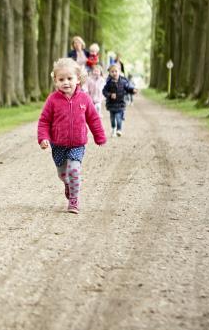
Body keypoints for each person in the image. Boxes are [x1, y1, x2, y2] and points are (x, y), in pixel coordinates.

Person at [37, 57, 107, 214]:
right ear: (55, 80)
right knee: (63, 174)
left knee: (74, 170)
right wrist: (43, 138)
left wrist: (99, 136)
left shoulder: (84, 99)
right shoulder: (52, 100)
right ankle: (67, 184)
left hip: (77, 144)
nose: (66, 82)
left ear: (78, 79)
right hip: (58, 144)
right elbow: (44, 121)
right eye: (61, 79)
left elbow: (93, 119)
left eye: (70, 78)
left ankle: (74, 200)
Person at [102, 63, 137, 137]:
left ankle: (119, 129)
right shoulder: (108, 82)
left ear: (119, 72)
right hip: (111, 104)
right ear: (109, 73)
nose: (114, 73)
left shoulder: (123, 81)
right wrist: (110, 95)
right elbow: (104, 91)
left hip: (120, 103)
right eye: (112, 71)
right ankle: (113, 128)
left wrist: (132, 90)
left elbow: (128, 88)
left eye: (116, 71)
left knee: (118, 118)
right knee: (112, 119)